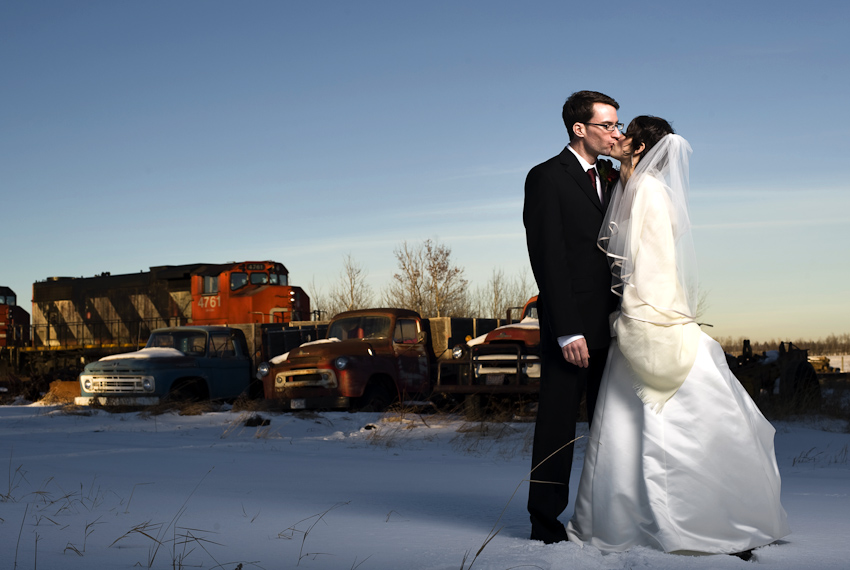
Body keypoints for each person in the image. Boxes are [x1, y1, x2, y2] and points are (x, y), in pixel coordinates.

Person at [565, 116, 790, 556]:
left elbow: (653, 263)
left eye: (624, 132)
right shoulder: (639, 187)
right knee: (637, 420)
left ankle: (685, 517)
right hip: (647, 307)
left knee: (656, 416)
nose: (617, 137)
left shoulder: (646, 190)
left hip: (650, 310)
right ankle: (639, 515)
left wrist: (637, 312)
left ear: (640, 146)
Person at [523, 90, 621, 544]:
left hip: (617, 325)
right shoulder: (546, 177)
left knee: (612, 425)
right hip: (574, 328)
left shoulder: (614, 176)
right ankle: (544, 524)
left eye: (617, 125)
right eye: (607, 125)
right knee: (559, 425)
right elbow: (548, 258)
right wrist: (567, 330)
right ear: (579, 129)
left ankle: (604, 517)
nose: (615, 133)